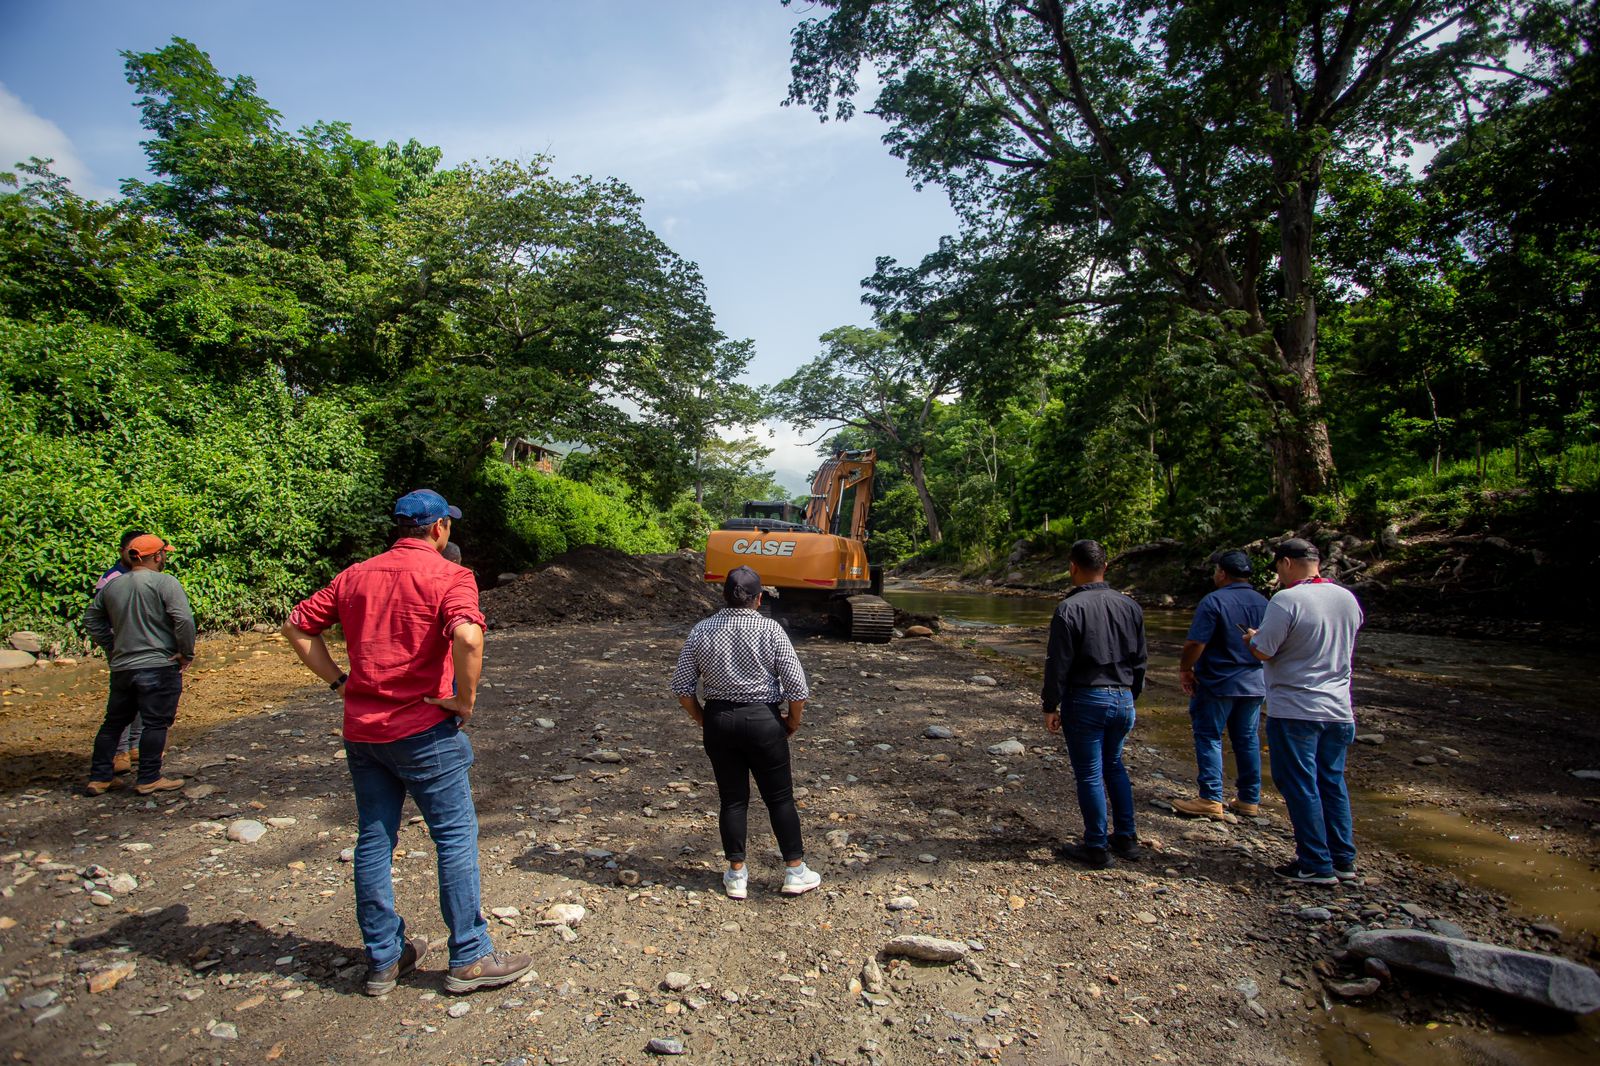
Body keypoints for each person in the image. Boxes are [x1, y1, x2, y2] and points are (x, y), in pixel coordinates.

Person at [282, 489, 532, 997]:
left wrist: (340, 682)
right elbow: (468, 637)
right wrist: (463, 700)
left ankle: (383, 957)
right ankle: (470, 955)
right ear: (439, 528)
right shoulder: (451, 576)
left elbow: (296, 625)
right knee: (455, 837)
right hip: (425, 733)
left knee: (374, 840)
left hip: (364, 733)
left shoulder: (354, 575)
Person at [670, 565, 819, 900]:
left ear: (723, 595)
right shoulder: (771, 630)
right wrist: (792, 723)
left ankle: (737, 875)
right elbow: (797, 689)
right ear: (759, 598)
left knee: (732, 799)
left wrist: (705, 720)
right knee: (779, 798)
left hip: (719, 719)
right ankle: (795, 871)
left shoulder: (702, 630)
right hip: (764, 721)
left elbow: (682, 688)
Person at [1245, 538, 1365, 886]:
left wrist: (1251, 638)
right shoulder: (1347, 598)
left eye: (1276, 567)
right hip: (1339, 708)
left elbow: (1263, 651)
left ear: (1285, 563)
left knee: (1299, 784)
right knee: (1332, 782)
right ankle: (1343, 859)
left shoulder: (1286, 599)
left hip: (1296, 707)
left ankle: (1314, 862)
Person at [1042, 539, 1148, 868]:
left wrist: (1050, 704)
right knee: (1114, 765)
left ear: (1073, 566)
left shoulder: (1069, 609)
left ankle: (1097, 846)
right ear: (1106, 567)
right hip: (1123, 695)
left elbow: (1057, 663)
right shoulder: (1130, 606)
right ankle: (1127, 839)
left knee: (1089, 773)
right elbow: (1141, 658)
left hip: (1087, 696)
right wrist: (1133, 694)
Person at [83, 533, 194, 796]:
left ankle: (99, 778)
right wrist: (185, 652)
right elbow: (184, 620)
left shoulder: (113, 585)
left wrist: (112, 647)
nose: (165, 557)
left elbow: (91, 619)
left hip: (123, 667)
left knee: (113, 722)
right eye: (164, 553)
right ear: (157, 556)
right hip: (159, 664)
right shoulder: (165, 582)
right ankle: (148, 777)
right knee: (156, 723)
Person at [1173, 549, 1269, 820]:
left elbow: (1195, 642)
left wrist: (1185, 669)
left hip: (1218, 681)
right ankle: (1249, 799)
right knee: (1247, 740)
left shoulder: (1213, 601)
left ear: (1222, 573)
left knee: (1209, 736)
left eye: (1215, 570)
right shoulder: (1265, 602)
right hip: (1255, 682)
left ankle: (1210, 797)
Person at [96, 529, 150, 775]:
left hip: (146, 650)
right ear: (123, 551)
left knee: (142, 700)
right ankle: (119, 753)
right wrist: (110, 644)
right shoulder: (111, 580)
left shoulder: (149, 577)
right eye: (133, 550)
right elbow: (95, 617)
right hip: (125, 650)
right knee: (120, 707)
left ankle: (136, 746)